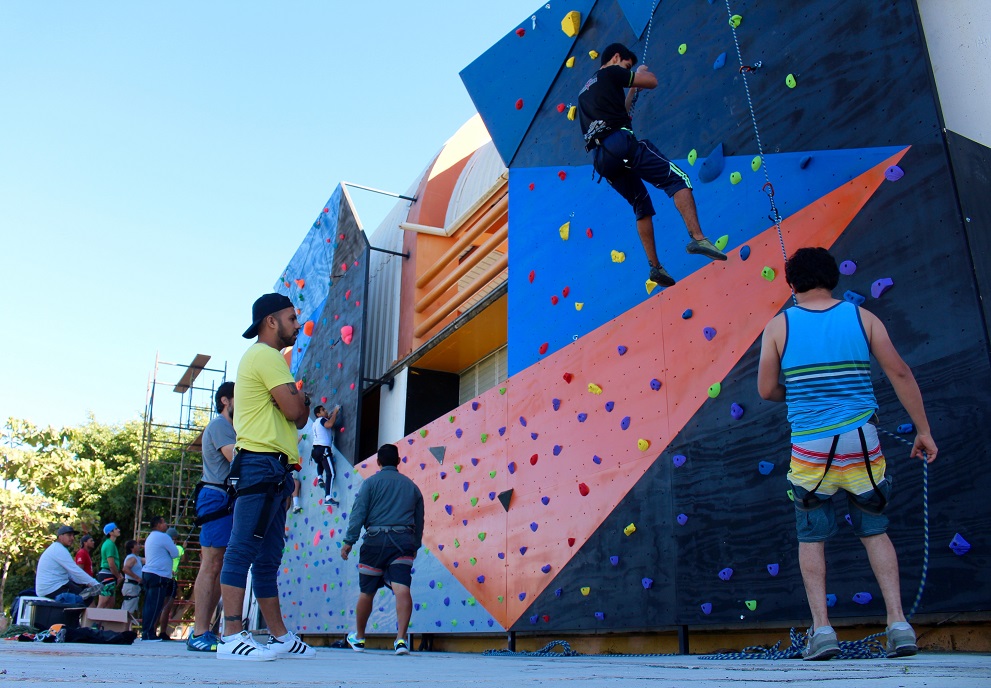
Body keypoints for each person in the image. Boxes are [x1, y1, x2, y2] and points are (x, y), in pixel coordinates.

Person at [758, 247, 938, 661]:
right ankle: (898, 623)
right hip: (862, 442)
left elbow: (766, 390)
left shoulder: (777, 327)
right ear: (833, 278)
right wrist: (923, 431)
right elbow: (899, 373)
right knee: (874, 528)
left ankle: (822, 631)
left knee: (811, 534)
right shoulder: (863, 319)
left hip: (810, 450)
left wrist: (803, 393)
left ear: (792, 284)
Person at [578, 43, 727, 288]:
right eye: (627, 65)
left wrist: (632, 90)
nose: (628, 69)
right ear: (616, 57)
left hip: (601, 159)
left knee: (641, 205)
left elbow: (620, 114)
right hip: (620, 144)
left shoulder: (585, 91)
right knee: (677, 180)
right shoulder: (610, 72)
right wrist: (641, 73)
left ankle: (655, 267)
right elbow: (652, 81)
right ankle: (698, 238)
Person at [217, 293, 315, 660]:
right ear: (270, 321)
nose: (296, 325)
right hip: (260, 463)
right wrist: (297, 397)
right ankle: (230, 636)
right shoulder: (266, 356)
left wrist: (296, 401)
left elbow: (299, 415)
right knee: (243, 547)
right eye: (291, 318)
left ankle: (279, 636)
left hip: (276, 468)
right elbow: (296, 409)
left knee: (269, 555)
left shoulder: (268, 360)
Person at [341, 443, 424, 656]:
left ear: (378, 462)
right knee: (402, 588)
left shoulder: (370, 484)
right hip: (402, 541)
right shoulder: (411, 486)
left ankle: (359, 637)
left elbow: (358, 513)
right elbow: (419, 518)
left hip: (375, 542)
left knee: (367, 591)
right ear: (398, 461)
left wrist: (349, 541)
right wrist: (415, 544)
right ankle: (401, 640)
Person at [188, 380, 236, 653]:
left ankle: (206, 630)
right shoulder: (220, 426)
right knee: (211, 563)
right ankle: (199, 632)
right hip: (216, 496)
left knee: (219, 564)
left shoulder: (231, 428)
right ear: (225, 401)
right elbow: (235, 458)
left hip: (225, 498)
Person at [35, 525, 102, 600]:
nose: (72, 538)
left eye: (73, 536)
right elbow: (75, 570)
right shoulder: (58, 550)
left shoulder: (58, 548)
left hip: (53, 587)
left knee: (86, 595)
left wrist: (87, 583)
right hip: (51, 589)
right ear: (60, 537)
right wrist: (95, 584)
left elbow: (71, 575)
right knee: (84, 598)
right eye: (69, 535)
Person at [141, 516, 179, 642]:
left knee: (148, 605)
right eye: (163, 522)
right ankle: (149, 633)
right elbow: (175, 553)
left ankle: (145, 631)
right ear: (158, 524)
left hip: (149, 574)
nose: (166, 524)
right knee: (155, 606)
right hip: (158, 575)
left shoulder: (151, 537)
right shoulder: (164, 537)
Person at [157, 527, 184, 640]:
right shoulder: (171, 548)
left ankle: (160, 631)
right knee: (164, 606)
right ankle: (160, 631)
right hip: (168, 577)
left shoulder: (166, 547)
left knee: (165, 606)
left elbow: (182, 560)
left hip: (169, 578)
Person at [311, 405, 341, 506]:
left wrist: (330, 415)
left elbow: (326, 421)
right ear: (318, 414)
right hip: (323, 449)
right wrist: (336, 411)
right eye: (323, 410)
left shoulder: (315, 423)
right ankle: (328, 497)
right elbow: (329, 424)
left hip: (315, 450)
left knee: (320, 463)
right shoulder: (322, 419)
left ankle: (319, 478)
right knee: (331, 474)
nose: (326, 410)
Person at [96, 522, 122, 608]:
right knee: (103, 602)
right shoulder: (109, 544)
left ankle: (103, 621)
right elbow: (111, 564)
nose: (118, 530)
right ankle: (94, 621)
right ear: (110, 533)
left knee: (110, 603)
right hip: (107, 576)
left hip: (109, 575)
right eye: (116, 529)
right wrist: (118, 576)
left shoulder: (110, 544)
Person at [121, 540, 143, 617]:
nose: (139, 546)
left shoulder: (137, 558)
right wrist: (137, 578)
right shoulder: (132, 558)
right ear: (132, 548)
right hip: (131, 585)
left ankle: (126, 627)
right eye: (137, 545)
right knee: (128, 611)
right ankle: (123, 627)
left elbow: (148, 560)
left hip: (134, 586)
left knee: (131, 610)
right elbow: (125, 569)